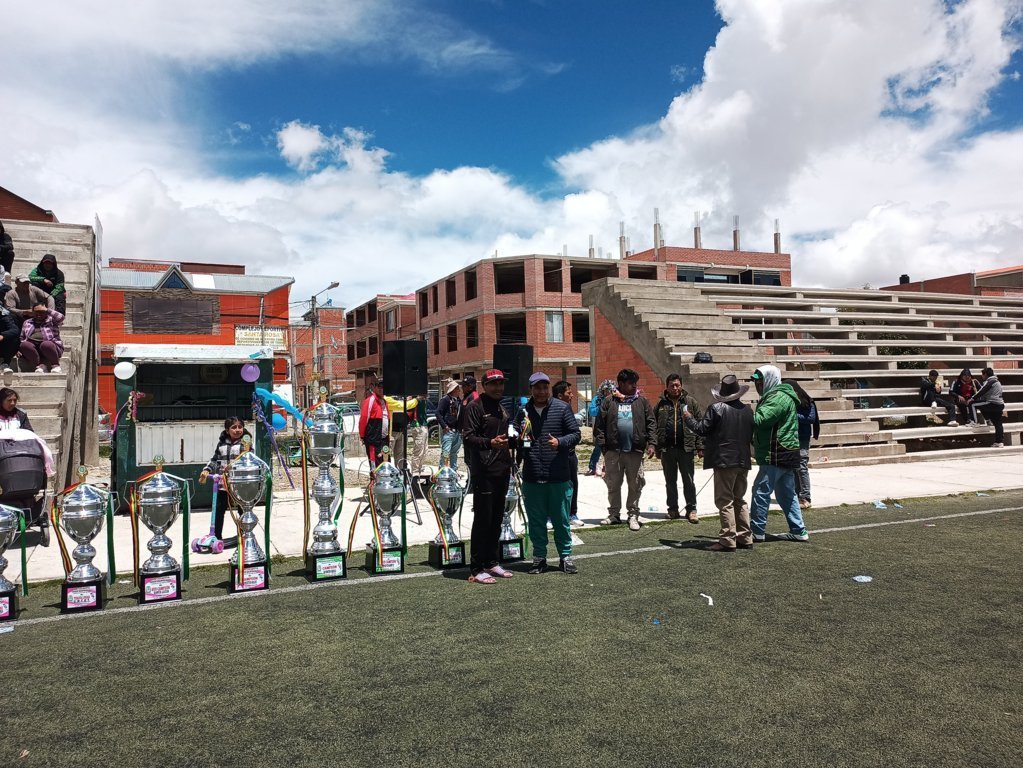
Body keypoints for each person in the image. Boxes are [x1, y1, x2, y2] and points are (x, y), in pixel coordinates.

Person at [514, 372, 581, 574]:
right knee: (536, 521)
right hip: (533, 475)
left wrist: (560, 442)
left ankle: (565, 557)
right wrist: (516, 439)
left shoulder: (561, 408)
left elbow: (576, 434)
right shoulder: (523, 411)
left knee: (561, 520)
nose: (541, 391)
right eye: (537, 388)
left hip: (558, 475)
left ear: (549, 389)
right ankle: (539, 558)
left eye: (545, 387)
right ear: (531, 389)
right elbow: (516, 436)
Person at [683, 375, 755, 551]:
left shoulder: (716, 408)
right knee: (739, 499)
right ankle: (745, 537)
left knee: (725, 500)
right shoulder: (747, 410)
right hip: (742, 459)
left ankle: (727, 539)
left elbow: (701, 429)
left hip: (724, 461)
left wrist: (688, 417)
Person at [461, 369, 516, 584]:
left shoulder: (502, 407)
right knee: (483, 520)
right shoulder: (475, 407)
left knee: (496, 519)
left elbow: (505, 437)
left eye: (501, 383)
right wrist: (490, 443)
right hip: (483, 471)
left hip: (502, 470)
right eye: (493, 384)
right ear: (484, 385)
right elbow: (468, 438)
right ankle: (476, 568)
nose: (498, 388)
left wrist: (516, 440)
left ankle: (491, 562)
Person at [749, 365, 809, 543]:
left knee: (760, 491)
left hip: (776, 453)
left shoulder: (777, 397)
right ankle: (798, 530)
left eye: (761, 382)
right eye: (756, 382)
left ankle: (757, 531)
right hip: (784, 452)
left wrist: (741, 413)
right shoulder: (777, 395)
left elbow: (761, 419)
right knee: (786, 494)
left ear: (770, 379)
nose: (758, 385)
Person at [594, 368, 656, 531]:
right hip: (613, 452)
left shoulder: (642, 401)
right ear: (620, 383)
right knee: (613, 484)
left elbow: (651, 423)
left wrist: (651, 444)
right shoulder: (609, 401)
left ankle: (633, 515)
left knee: (635, 484)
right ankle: (614, 514)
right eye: (630, 383)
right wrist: (604, 448)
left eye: (635, 383)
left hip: (635, 451)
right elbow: (599, 426)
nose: (634, 386)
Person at [654, 373, 703, 523]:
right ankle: (673, 509)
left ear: (681, 385)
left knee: (688, 481)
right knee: (670, 481)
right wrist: (655, 446)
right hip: (667, 449)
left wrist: (700, 446)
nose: (675, 388)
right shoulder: (660, 404)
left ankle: (691, 510)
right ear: (667, 387)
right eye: (672, 386)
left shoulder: (690, 402)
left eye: (677, 385)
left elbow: (700, 424)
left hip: (686, 449)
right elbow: (653, 425)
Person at [197, 416, 253, 548]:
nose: (237, 430)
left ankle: (244, 535)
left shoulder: (245, 444)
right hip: (223, 484)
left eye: (240, 427)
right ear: (227, 430)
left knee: (243, 510)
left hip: (239, 484)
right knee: (218, 510)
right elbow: (215, 459)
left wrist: (235, 464)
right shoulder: (221, 444)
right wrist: (206, 470)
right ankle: (216, 537)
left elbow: (249, 459)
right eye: (234, 427)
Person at [786, 379, 821, 509]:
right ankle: (796, 494)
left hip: (802, 438)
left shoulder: (807, 401)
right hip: (791, 437)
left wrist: (793, 414)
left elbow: (811, 418)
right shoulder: (788, 401)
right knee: (794, 468)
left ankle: (805, 496)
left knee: (802, 467)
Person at [553, 379, 583, 527]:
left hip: (570, 454)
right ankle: (551, 516)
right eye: (568, 392)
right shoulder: (552, 410)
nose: (571, 395)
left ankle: (572, 513)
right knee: (554, 486)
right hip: (555, 455)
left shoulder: (568, 409)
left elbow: (575, 433)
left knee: (572, 484)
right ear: (560, 395)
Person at [19, 302, 64, 373]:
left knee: (46, 344)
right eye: (36, 312)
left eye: (41, 312)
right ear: (33, 312)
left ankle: (55, 365)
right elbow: (22, 337)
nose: (39, 314)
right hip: (34, 347)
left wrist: (47, 310)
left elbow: (61, 317)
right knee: (24, 345)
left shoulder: (52, 320)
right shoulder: (27, 322)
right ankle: (40, 366)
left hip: (50, 347)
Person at [585, 379, 616, 475]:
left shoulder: (616, 399)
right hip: (600, 427)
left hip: (612, 427)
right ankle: (592, 467)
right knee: (598, 447)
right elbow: (591, 412)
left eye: (609, 390)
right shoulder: (597, 399)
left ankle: (612, 467)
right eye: (605, 390)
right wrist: (602, 406)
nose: (607, 393)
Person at [968, 368, 1005, 447]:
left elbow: (982, 391)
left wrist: (972, 398)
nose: (982, 376)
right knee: (998, 424)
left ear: (985, 374)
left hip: (992, 403)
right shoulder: (997, 381)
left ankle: (974, 422)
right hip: (1000, 404)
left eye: (982, 374)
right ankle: (999, 442)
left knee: (972, 404)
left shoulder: (990, 381)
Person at [358, 378, 390, 467]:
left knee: (386, 463)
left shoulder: (385, 402)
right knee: (375, 465)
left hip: (384, 440)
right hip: (373, 440)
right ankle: (373, 476)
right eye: (379, 387)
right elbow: (363, 419)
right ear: (375, 387)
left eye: (384, 387)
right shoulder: (370, 401)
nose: (382, 389)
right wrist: (362, 436)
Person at [436, 380, 463, 470]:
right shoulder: (445, 399)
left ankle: (453, 471)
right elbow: (438, 413)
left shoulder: (458, 400)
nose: (459, 391)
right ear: (454, 390)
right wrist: (444, 426)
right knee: (446, 452)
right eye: (458, 389)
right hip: (449, 430)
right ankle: (442, 471)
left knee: (454, 453)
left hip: (457, 431)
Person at [0, 298, 19, 373]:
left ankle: (6, 363)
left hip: (3, 347)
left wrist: (2, 335)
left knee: (14, 339)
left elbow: (15, 330)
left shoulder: (6, 317)